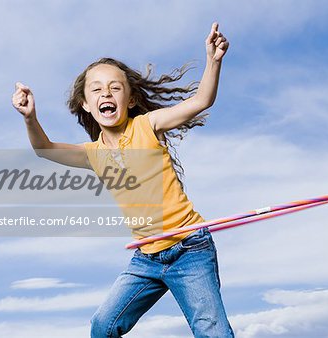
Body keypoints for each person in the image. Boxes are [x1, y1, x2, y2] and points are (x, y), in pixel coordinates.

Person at [12, 22, 234, 338]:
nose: (106, 93)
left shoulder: (148, 125)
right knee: (103, 327)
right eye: (97, 89)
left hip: (189, 248)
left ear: (130, 100)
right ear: (87, 105)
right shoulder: (93, 154)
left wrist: (213, 60)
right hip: (146, 257)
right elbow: (44, 149)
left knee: (211, 332)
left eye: (115, 87)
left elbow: (200, 102)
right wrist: (30, 117)